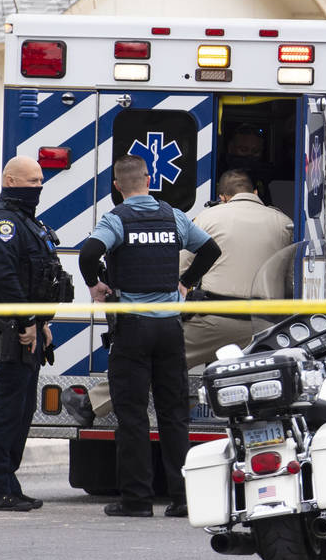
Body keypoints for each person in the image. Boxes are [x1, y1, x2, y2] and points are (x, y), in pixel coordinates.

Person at [78, 154, 221, 518]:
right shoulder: (171, 215)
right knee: (174, 415)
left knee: (133, 415)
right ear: (148, 179)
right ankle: (183, 498)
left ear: (116, 186)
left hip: (132, 329)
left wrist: (96, 285)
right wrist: (185, 284)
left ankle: (137, 500)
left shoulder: (117, 219)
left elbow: (90, 252)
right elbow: (210, 249)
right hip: (170, 329)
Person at [0, 156, 72, 512]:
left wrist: (41, 322)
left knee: (21, 409)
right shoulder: (2, 222)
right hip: (9, 329)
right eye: (32, 182)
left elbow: (35, 277)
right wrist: (28, 319)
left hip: (27, 326)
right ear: (9, 181)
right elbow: (4, 278)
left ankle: (8, 483)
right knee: (5, 410)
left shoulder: (26, 222)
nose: (39, 188)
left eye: (41, 182)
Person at [182, 168, 293, 367]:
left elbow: (181, 266)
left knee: (161, 358)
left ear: (222, 197)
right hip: (263, 326)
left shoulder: (208, 217)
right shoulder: (284, 223)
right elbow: (290, 279)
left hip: (213, 322)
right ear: (255, 193)